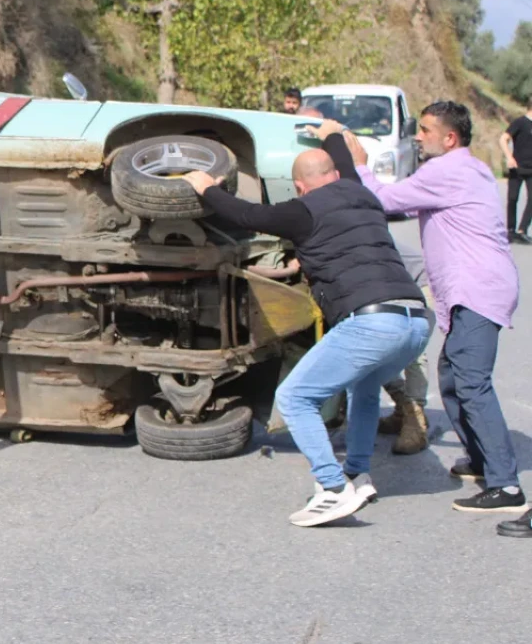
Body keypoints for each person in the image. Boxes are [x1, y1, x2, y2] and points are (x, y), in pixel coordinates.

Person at [183, 137, 431, 528]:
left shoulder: (301, 211)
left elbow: (246, 215)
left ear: (299, 186)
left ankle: (332, 488)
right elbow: (347, 161)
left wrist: (206, 188)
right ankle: (357, 474)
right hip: (415, 321)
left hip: (370, 321)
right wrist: (331, 133)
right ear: (334, 176)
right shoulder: (361, 193)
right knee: (364, 389)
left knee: (295, 397)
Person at [339, 103, 526, 516]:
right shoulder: (465, 168)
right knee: (453, 377)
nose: (417, 136)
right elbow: (405, 206)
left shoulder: (448, 171)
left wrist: (359, 164)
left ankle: (506, 486)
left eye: (424, 130)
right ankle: (482, 461)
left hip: (478, 288)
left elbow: (383, 199)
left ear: (450, 138)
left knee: (471, 382)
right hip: (479, 288)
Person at [377, 240, 432, 454]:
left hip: (419, 283)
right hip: (388, 287)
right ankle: (402, 405)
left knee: (413, 349)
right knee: (374, 349)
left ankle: (415, 422)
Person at [498, 96, 532, 244]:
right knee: (512, 198)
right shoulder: (520, 122)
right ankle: (511, 231)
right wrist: (509, 157)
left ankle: (522, 230)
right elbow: (503, 138)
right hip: (517, 167)